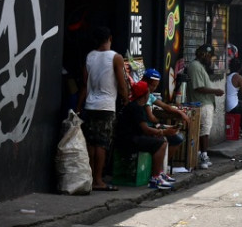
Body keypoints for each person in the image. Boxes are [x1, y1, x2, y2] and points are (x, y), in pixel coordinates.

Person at [76, 26, 129, 192]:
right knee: (102, 144)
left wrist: (78, 107)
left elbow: (84, 85)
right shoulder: (115, 57)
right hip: (106, 107)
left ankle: (90, 178)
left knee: (91, 142)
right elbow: (121, 84)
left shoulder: (90, 57)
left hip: (90, 105)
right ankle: (99, 180)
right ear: (110, 39)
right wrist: (126, 99)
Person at [114, 80, 174, 190]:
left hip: (128, 137)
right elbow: (145, 129)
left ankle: (159, 173)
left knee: (158, 139)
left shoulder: (135, 106)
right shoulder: (137, 108)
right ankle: (155, 178)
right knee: (162, 143)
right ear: (145, 95)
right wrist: (163, 132)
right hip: (128, 140)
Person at [187, 44, 225, 170]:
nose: (210, 60)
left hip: (205, 103)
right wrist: (215, 91)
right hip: (202, 103)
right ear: (203, 54)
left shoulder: (199, 67)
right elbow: (199, 87)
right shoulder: (195, 66)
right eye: (209, 57)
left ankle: (200, 154)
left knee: (204, 130)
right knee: (204, 131)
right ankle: (203, 155)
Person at [141, 68, 186, 168]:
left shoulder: (149, 95)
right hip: (146, 129)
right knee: (173, 139)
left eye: (156, 86)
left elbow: (165, 106)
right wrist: (160, 123)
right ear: (145, 81)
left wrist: (180, 112)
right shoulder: (143, 95)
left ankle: (162, 166)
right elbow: (151, 117)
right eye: (152, 85)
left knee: (177, 137)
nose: (154, 88)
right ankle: (160, 168)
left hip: (151, 126)